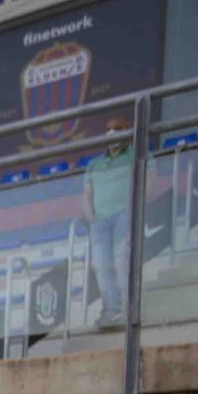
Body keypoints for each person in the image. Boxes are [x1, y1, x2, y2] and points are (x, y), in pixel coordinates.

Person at [81, 117, 134, 327]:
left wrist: (133, 209)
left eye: (117, 128)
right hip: (100, 222)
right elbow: (86, 195)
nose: (112, 132)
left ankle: (127, 308)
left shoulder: (135, 155)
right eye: (108, 129)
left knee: (121, 260)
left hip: (124, 215)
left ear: (126, 131)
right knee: (102, 265)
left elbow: (148, 182)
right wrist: (92, 219)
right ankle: (110, 309)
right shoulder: (94, 164)